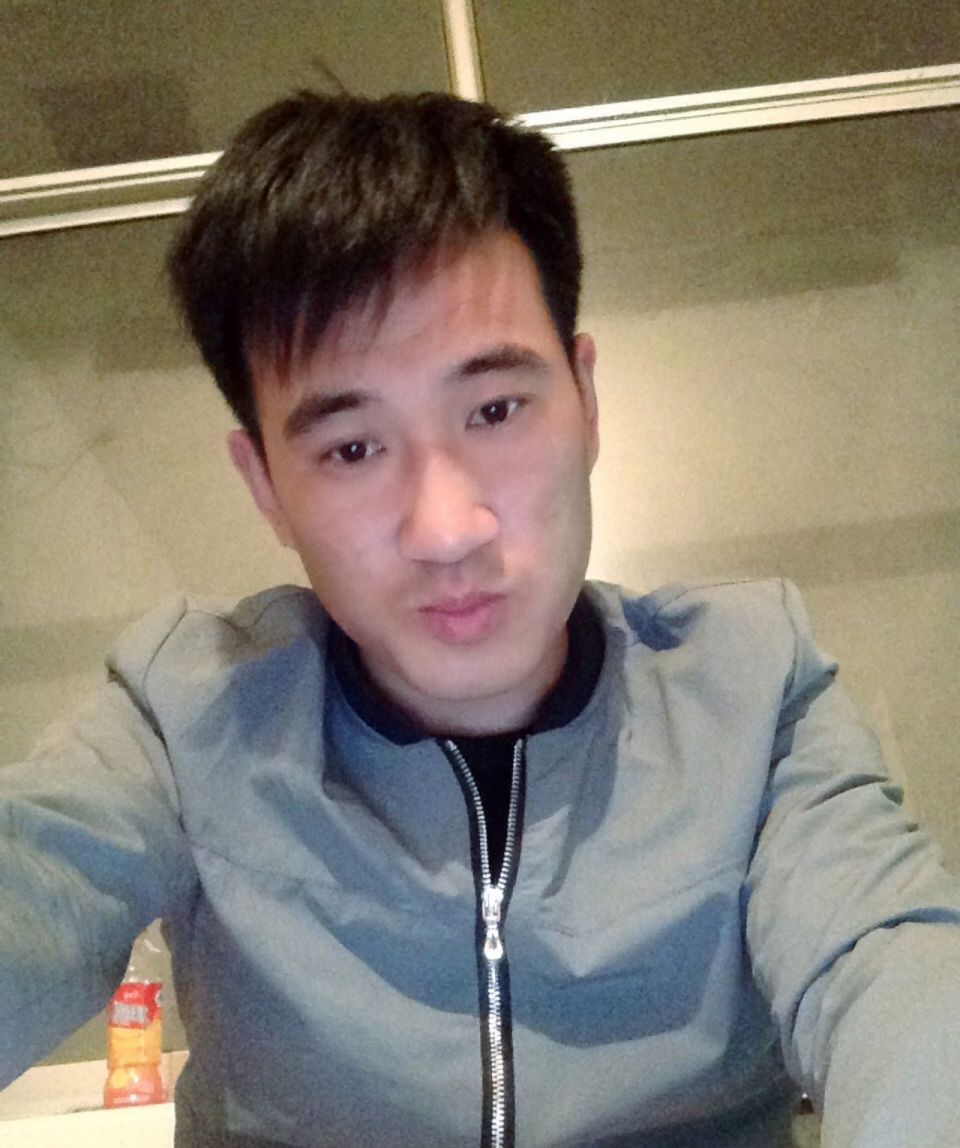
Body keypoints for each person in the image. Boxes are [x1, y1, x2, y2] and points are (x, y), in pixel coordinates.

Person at [1, 91, 958, 1148]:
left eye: (495, 409)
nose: (447, 528)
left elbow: (896, 969)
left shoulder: (753, 689)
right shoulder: (188, 715)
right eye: (352, 448)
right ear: (265, 484)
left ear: (585, 399)